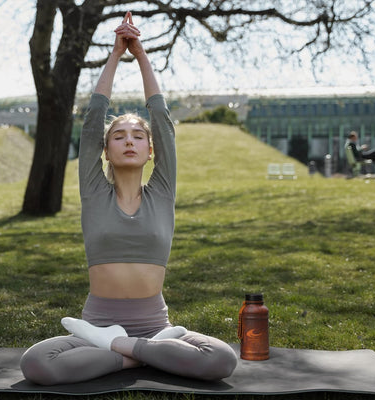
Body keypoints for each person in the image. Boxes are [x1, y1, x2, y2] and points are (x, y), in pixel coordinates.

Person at [20, 12, 237, 385]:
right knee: (37, 363)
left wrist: (141, 55)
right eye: (119, 136)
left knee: (222, 360)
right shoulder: (93, 191)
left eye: (138, 136)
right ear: (105, 150)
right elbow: (92, 122)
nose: (129, 141)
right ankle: (137, 354)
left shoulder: (163, 191)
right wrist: (115, 55)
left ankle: (123, 348)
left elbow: (163, 122)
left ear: (151, 150)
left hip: (157, 325)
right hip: (96, 326)